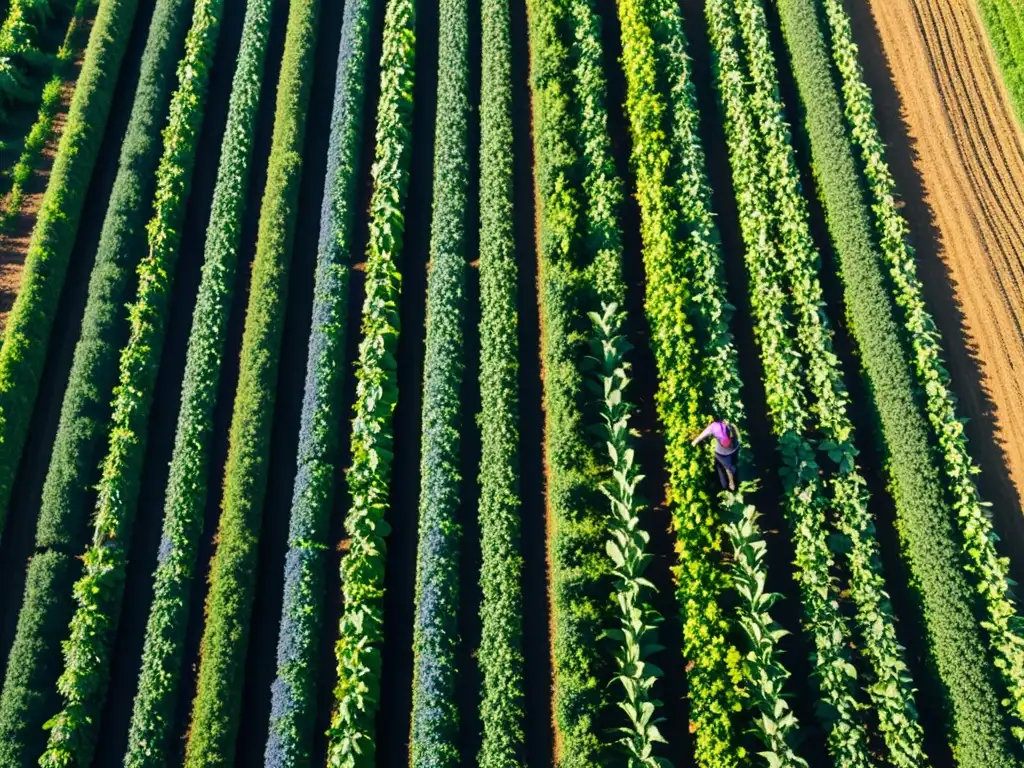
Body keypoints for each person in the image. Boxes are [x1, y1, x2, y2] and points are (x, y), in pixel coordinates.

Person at [692, 418, 740, 491]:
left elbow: (701, 436)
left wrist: (694, 442)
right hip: (734, 448)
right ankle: (732, 478)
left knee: (727, 468)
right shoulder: (728, 424)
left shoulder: (714, 427)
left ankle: (731, 483)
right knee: (732, 465)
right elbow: (736, 433)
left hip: (722, 453)